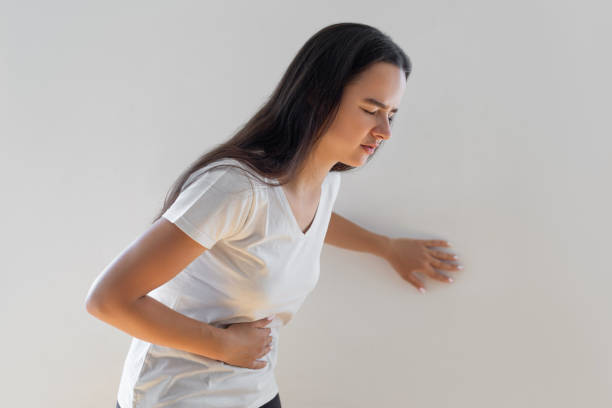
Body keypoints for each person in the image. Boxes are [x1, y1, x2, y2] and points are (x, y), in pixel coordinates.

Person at [85, 22, 461, 408]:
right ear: (318, 97)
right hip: (178, 397)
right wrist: (226, 346)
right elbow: (108, 299)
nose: (384, 130)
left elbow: (297, 224)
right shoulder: (235, 188)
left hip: (254, 390)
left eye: (392, 114)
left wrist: (386, 247)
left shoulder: (323, 181)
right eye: (371, 109)